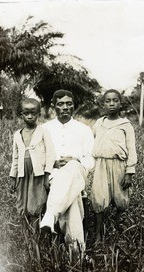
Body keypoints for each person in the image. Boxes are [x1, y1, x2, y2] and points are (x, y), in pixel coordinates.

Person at [40, 89, 94, 253]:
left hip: (78, 172)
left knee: (72, 168)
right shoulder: (44, 129)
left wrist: (76, 160)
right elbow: (38, 157)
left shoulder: (84, 129)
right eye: (60, 104)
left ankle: (51, 214)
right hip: (54, 175)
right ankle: (77, 253)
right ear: (53, 106)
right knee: (73, 199)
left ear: (73, 106)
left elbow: (91, 159)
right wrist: (53, 163)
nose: (65, 107)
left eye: (68, 103)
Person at [91, 89, 137, 242]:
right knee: (98, 197)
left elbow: (131, 148)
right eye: (108, 101)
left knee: (120, 198)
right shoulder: (99, 124)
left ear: (120, 103)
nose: (111, 104)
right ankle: (98, 234)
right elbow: (93, 142)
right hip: (101, 164)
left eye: (115, 100)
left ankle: (117, 230)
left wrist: (129, 172)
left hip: (119, 164)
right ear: (103, 103)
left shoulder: (125, 125)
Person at [9, 98, 55, 231]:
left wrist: (47, 174)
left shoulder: (43, 132)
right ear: (21, 114)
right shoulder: (18, 134)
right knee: (22, 201)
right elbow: (15, 157)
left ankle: (35, 233)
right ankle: (25, 233)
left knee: (35, 202)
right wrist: (13, 176)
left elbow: (50, 154)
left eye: (33, 113)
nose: (30, 116)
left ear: (38, 115)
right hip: (23, 173)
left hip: (37, 173)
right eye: (26, 113)